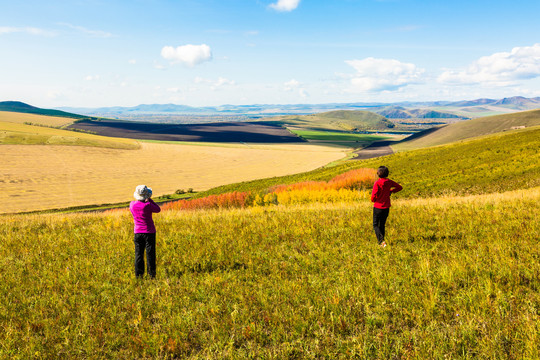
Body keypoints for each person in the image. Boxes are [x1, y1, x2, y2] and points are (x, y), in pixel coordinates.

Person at [129, 185, 161, 278]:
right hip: (149, 232)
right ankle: (152, 275)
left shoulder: (132, 205)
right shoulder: (148, 205)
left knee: (138, 254)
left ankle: (139, 275)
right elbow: (158, 209)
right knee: (150, 254)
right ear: (147, 196)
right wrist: (150, 200)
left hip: (137, 232)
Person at [371, 166, 402, 247]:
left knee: (375, 225)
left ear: (378, 174)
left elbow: (373, 196)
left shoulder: (377, 183)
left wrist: (373, 200)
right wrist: (391, 191)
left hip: (378, 207)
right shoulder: (389, 182)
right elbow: (399, 187)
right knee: (382, 225)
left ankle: (381, 242)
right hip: (386, 207)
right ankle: (382, 242)